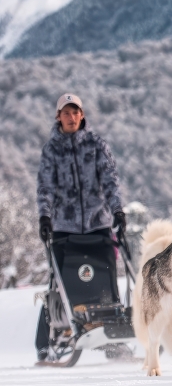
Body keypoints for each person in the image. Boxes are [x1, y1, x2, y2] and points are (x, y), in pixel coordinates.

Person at [35, 93, 126, 361]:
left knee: (108, 280)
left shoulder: (96, 145)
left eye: (76, 112)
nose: (72, 117)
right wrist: (45, 217)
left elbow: (110, 180)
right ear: (58, 116)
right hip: (64, 227)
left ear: (82, 115)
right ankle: (46, 342)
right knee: (59, 281)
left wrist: (118, 211)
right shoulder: (51, 150)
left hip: (98, 224)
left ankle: (115, 340)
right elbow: (45, 188)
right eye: (66, 112)